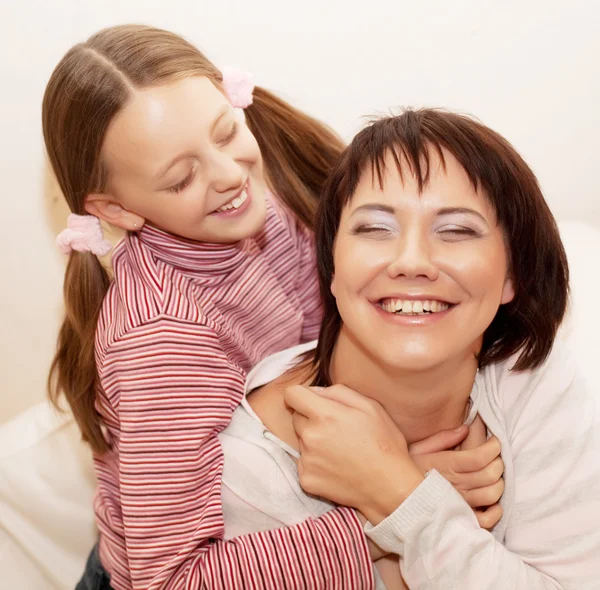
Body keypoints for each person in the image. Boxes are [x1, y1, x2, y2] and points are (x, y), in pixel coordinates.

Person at [44, 26, 499, 590]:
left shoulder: (270, 194)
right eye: (182, 177)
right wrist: (393, 501)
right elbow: (170, 579)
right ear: (116, 207)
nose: (230, 175)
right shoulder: (160, 339)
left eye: (226, 131)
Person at [218, 109, 600, 589]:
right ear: (333, 267)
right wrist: (398, 514)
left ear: (512, 276)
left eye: (457, 230)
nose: (412, 261)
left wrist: (398, 493)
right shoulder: (248, 462)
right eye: (375, 228)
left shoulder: (529, 376)